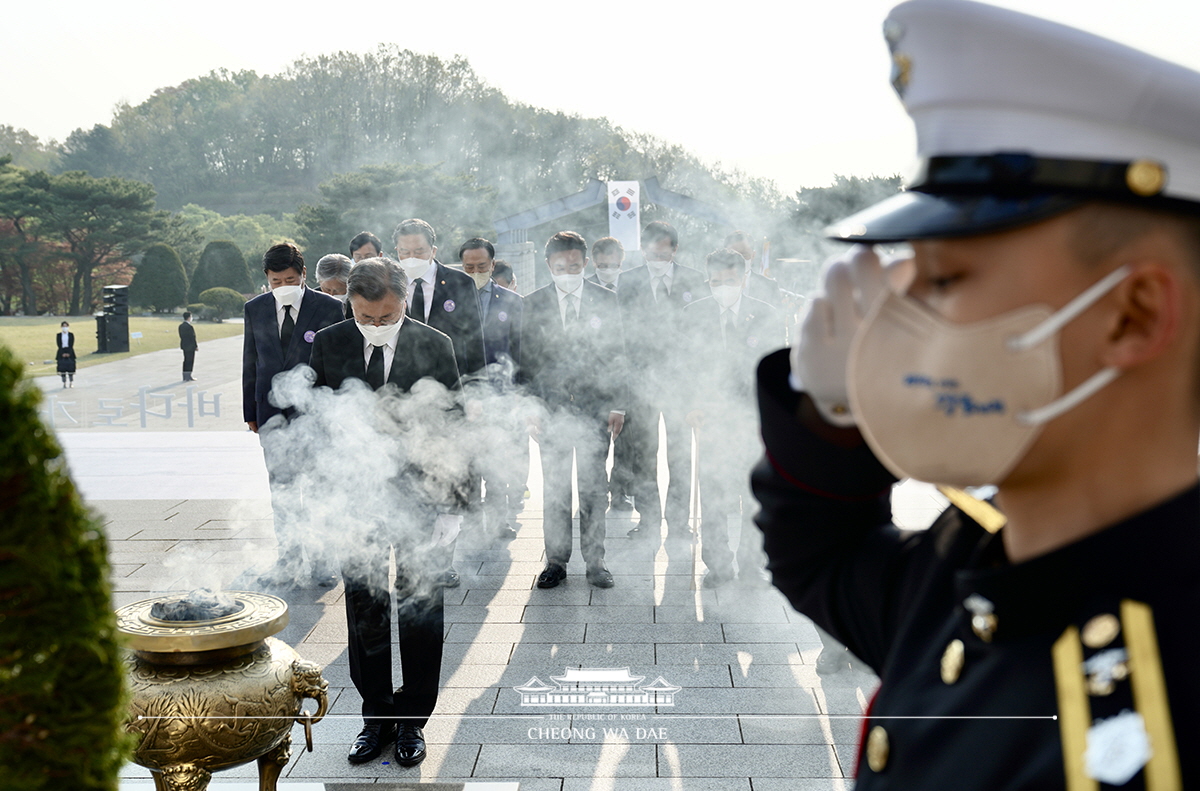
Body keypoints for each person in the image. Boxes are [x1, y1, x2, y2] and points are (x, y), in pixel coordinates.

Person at [753, 0, 1199, 786]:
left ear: (1132, 316)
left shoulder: (1154, 717)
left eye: (944, 279)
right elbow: (821, 553)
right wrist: (832, 410)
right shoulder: (978, 555)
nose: (893, 317)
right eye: (905, 276)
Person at [519, 231, 627, 589]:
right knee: (556, 489)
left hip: (596, 409)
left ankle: (596, 561)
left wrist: (617, 404)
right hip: (550, 412)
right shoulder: (531, 304)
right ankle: (556, 561)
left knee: (595, 487)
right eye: (561, 265)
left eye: (575, 265)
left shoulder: (605, 299)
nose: (568, 271)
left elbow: (616, 352)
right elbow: (526, 360)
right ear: (549, 265)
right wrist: (530, 407)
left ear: (585, 264)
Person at [242, 242, 345, 585]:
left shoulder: (328, 306)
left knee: (318, 489)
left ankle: (322, 561)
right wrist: (250, 411)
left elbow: (339, 361)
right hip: (270, 412)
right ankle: (287, 559)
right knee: (283, 491)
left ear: (303, 275)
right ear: (266, 279)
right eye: (275, 281)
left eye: (289, 278)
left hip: (316, 413)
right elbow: (250, 361)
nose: (282, 286)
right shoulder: (255, 308)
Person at [682, 249, 782, 588]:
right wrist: (692, 404)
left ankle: (753, 563)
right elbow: (683, 365)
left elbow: (776, 369)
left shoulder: (766, 314)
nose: (722, 287)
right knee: (713, 493)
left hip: (753, 419)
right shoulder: (692, 315)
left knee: (753, 494)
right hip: (711, 418)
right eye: (715, 281)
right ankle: (718, 564)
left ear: (742, 279)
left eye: (729, 280)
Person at [394, 218, 486, 588]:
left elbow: (474, 342)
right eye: (403, 252)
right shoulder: (389, 281)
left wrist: (477, 393)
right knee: (405, 482)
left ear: (433, 250)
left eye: (417, 251)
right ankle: (407, 563)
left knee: (448, 481)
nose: (410, 258)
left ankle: (442, 561)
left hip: (449, 398)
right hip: (400, 401)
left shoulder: (460, 283)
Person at [619, 221, 708, 542]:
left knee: (680, 457)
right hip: (641, 382)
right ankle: (648, 521)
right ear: (643, 248)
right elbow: (618, 336)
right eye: (652, 248)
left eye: (664, 247)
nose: (658, 253)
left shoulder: (695, 281)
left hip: (680, 384)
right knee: (643, 456)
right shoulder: (626, 283)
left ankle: (680, 521)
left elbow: (701, 334)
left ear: (675, 248)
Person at [461, 237, 525, 539]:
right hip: (463, 393)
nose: (475, 272)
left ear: (492, 265)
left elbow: (520, 349)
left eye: (482, 266)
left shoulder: (512, 302)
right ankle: (473, 522)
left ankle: (499, 520)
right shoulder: (450, 300)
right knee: (469, 463)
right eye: (469, 267)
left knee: (497, 460)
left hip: (500, 394)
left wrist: (517, 392)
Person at [587, 236, 635, 515]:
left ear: (622, 260)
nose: (607, 268)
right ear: (593, 262)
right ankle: (599, 487)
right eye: (602, 264)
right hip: (598, 376)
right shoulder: (587, 289)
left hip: (628, 373)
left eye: (612, 263)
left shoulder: (631, 287)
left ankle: (619, 492)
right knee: (600, 441)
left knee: (626, 442)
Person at [724, 230, 783, 308]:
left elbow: (778, 317)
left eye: (744, 254)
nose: (738, 260)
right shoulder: (708, 287)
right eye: (733, 255)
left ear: (753, 255)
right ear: (724, 255)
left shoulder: (770, 287)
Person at [316, 253, 355, 319]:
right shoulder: (310, 301)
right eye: (327, 289)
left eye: (338, 290)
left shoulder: (362, 302)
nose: (331, 294)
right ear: (319, 281)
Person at [177, 313, 197, 382]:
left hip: (184, 345)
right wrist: (195, 346)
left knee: (185, 360)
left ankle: (185, 376)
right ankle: (189, 376)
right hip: (190, 346)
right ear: (189, 317)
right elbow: (192, 337)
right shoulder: (189, 327)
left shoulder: (181, 326)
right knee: (190, 361)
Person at [55, 321, 76, 388]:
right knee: (62, 368)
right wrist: (62, 353)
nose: (65, 328)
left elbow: (71, 344)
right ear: (61, 327)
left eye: (66, 326)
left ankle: (71, 382)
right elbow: (59, 344)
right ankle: (64, 383)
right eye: (63, 326)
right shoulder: (59, 335)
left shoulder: (71, 335)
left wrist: (69, 353)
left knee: (70, 368)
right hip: (61, 351)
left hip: (69, 350)